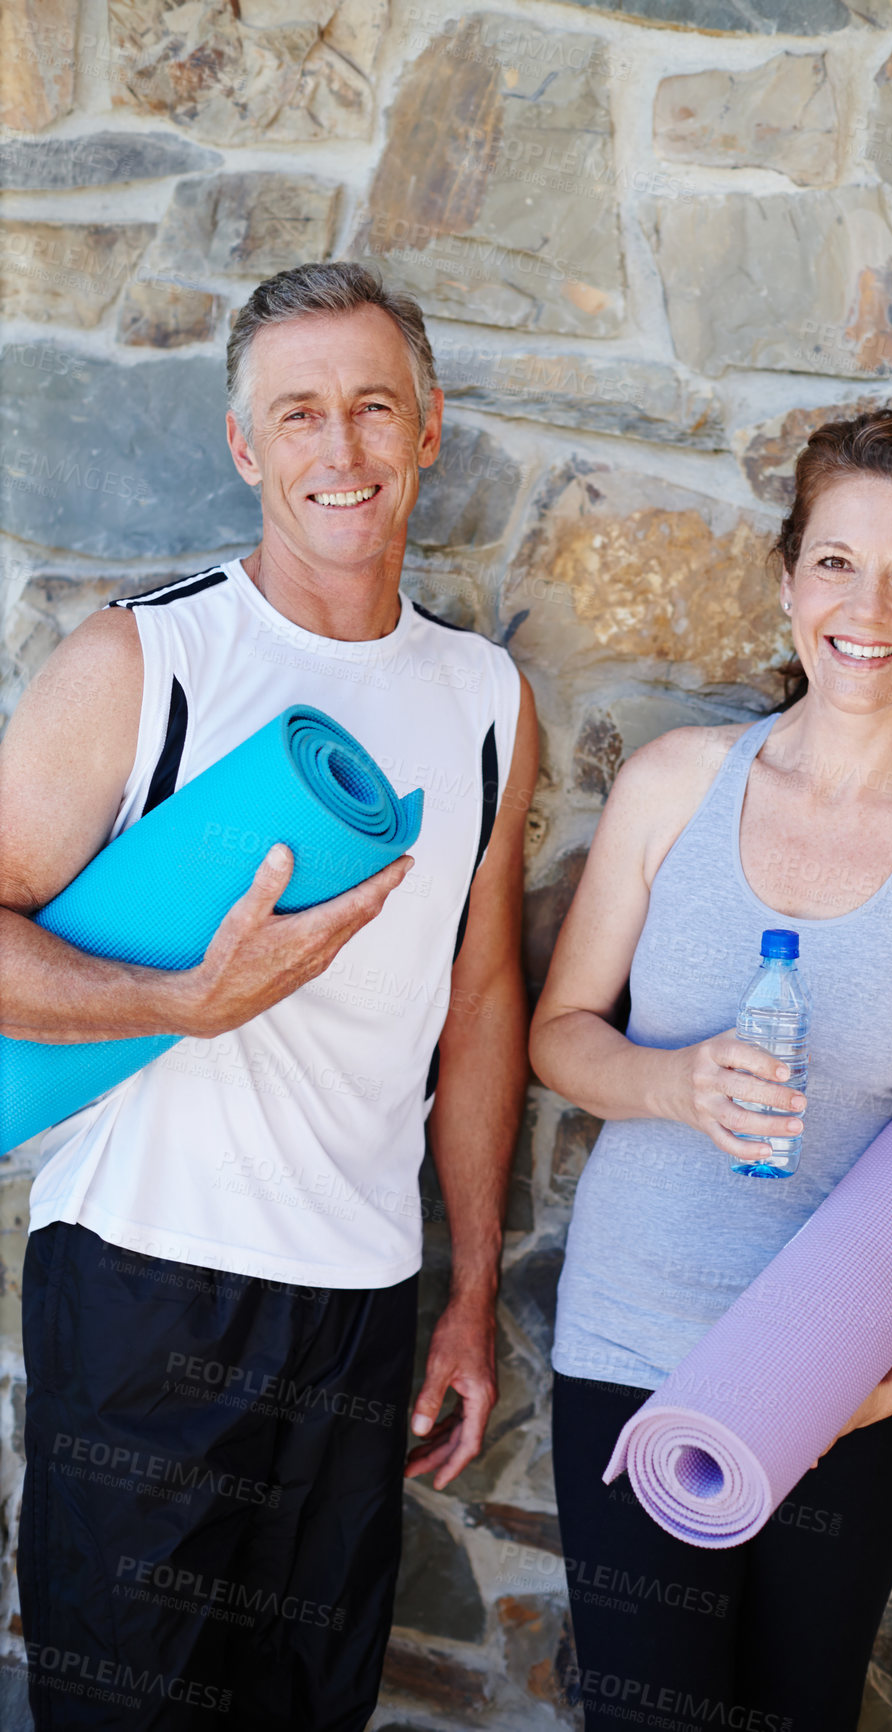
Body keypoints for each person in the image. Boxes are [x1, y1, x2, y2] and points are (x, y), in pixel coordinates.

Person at [1, 261, 538, 1730]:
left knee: (310, 1709)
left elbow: (481, 997)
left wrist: (468, 1291)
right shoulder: (148, 660)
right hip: (142, 1288)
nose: (340, 448)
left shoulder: (485, 699)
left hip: (359, 1303)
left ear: (428, 430)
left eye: (373, 406)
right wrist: (176, 1000)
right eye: (297, 413)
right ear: (247, 448)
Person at [530, 410, 892, 1732]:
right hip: (632, 1350)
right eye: (835, 561)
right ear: (788, 581)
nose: (866, 605)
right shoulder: (672, 786)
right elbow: (560, 1034)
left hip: (847, 1382)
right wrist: (672, 1083)